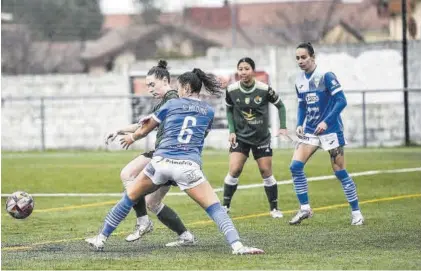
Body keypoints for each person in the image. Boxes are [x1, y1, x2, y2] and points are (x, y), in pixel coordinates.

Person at [86, 68, 264, 255]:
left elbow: (144, 129)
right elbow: (201, 135)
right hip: (187, 166)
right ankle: (237, 246)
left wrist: (132, 137)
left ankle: (101, 238)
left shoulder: (171, 105)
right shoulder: (209, 111)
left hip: (161, 162)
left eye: (179, 88)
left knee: (129, 198)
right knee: (215, 208)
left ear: (186, 87)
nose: (177, 92)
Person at [105, 60, 196, 246]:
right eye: (147, 86)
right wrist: (119, 130)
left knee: (128, 174)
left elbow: (143, 129)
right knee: (153, 203)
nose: (150, 89)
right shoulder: (166, 101)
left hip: (165, 154)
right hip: (170, 155)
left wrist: (131, 137)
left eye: (152, 84)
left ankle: (143, 222)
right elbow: (142, 125)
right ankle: (185, 236)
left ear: (165, 80)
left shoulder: (171, 100)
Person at [288, 42, 364, 226]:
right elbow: (302, 105)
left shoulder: (326, 76)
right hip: (311, 131)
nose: (300, 61)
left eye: (304, 57)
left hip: (330, 130)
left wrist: (326, 121)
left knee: (340, 172)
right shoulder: (299, 80)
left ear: (313, 57)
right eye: (297, 58)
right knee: (295, 167)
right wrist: (299, 123)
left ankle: (356, 213)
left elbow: (341, 101)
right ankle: (305, 208)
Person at [223, 57, 287, 218]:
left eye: (246, 69)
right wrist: (232, 130)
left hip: (261, 138)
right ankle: (225, 207)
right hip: (241, 138)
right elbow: (229, 110)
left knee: (266, 171)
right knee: (234, 170)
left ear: (253, 70)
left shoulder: (264, 89)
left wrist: (283, 127)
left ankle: (274, 209)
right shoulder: (231, 90)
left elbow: (281, 105)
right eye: (240, 69)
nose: (243, 72)